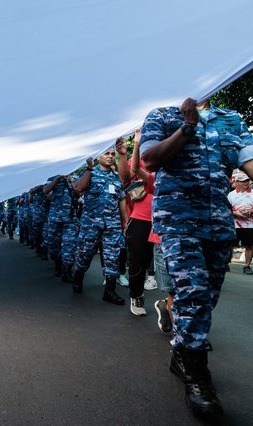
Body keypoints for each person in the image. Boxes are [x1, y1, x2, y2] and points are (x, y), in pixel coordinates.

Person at [141, 97, 253, 415]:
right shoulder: (161, 115)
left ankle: (181, 352)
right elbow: (149, 160)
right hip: (178, 221)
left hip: (218, 224)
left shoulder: (230, 119)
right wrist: (187, 128)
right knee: (193, 295)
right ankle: (197, 374)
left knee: (208, 299)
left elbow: (248, 162)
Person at [72, 152, 128, 304]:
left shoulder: (116, 176)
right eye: (107, 153)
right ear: (98, 157)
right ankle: (78, 278)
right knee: (85, 253)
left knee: (112, 257)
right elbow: (78, 189)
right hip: (91, 224)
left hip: (112, 224)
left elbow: (121, 199)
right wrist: (89, 169)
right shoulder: (90, 172)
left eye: (112, 154)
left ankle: (109, 291)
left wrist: (126, 222)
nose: (110, 156)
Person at [116, 130, 156, 315]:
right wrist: (124, 154)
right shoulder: (139, 160)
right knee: (139, 261)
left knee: (157, 262)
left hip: (165, 220)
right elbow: (125, 176)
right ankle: (136, 295)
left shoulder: (169, 158)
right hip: (140, 220)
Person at [228, 171, 253, 274]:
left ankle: (247, 266)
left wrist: (251, 212)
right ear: (236, 182)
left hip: (250, 224)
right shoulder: (231, 195)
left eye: (247, 181)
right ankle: (226, 263)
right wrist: (236, 213)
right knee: (230, 245)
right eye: (242, 181)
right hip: (234, 224)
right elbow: (226, 209)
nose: (245, 183)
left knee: (250, 245)